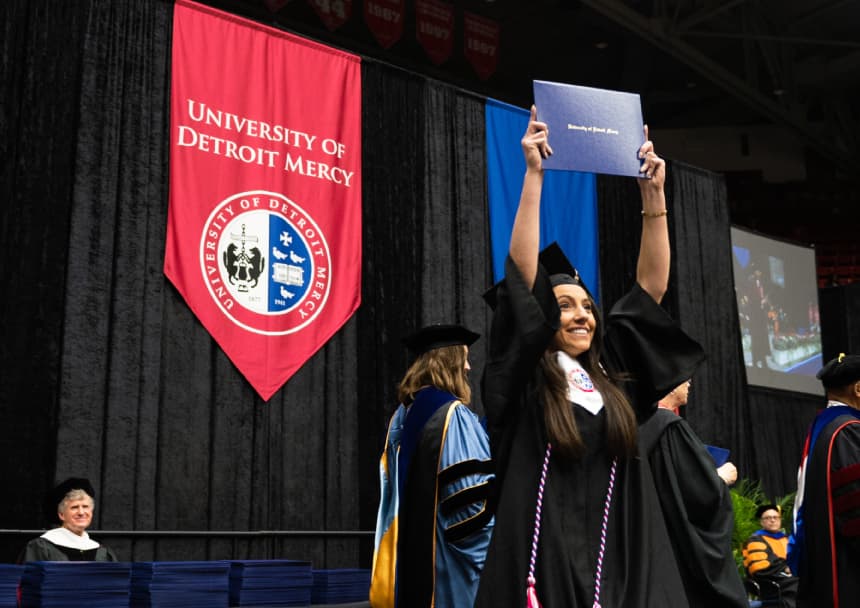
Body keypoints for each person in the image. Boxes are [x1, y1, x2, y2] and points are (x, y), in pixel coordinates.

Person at [474, 107, 704, 608]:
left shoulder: (610, 378)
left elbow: (651, 290)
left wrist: (653, 195)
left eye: (587, 306)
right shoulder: (525, 379)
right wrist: (534, 174)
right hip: (546, 565)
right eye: (563, 307)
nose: (582, 316)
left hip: (620, 557)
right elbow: (521, 276)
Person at [369, 324, 495, 608]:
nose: (468, 367)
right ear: (449, 362)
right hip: (451, 565)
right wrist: (488, 556)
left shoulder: (402, 415)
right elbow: (470, 506)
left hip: (410, 557)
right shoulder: (454, 415)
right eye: (463, 358)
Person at [638, 379, 748, 607]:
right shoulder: (670, 426)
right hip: (680, 544)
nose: (689, 382)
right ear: (669, 383)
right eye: (684, 377)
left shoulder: (639, 425)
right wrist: (720, 478)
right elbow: (697, 495)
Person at [789, 353, 860, 608]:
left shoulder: (823, 427)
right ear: (858, 389)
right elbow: (855, 505)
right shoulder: (849, 430)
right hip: (847, 567)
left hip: (823, 557)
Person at [21, 477, 117, 562]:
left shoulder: (102, 552)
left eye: (85, 506)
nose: (81, 512)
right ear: (61, 514)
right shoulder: (41, 548)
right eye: (74, 507)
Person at [742, 504, 798, 608]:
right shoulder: (755, 540)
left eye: (775, 517)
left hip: (789, 576)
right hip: (770, 581)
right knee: (797, 583)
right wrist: (786, 568)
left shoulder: (787, 539)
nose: (772, 520)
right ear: (762, 522)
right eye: (768, 518)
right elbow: (761, 567)